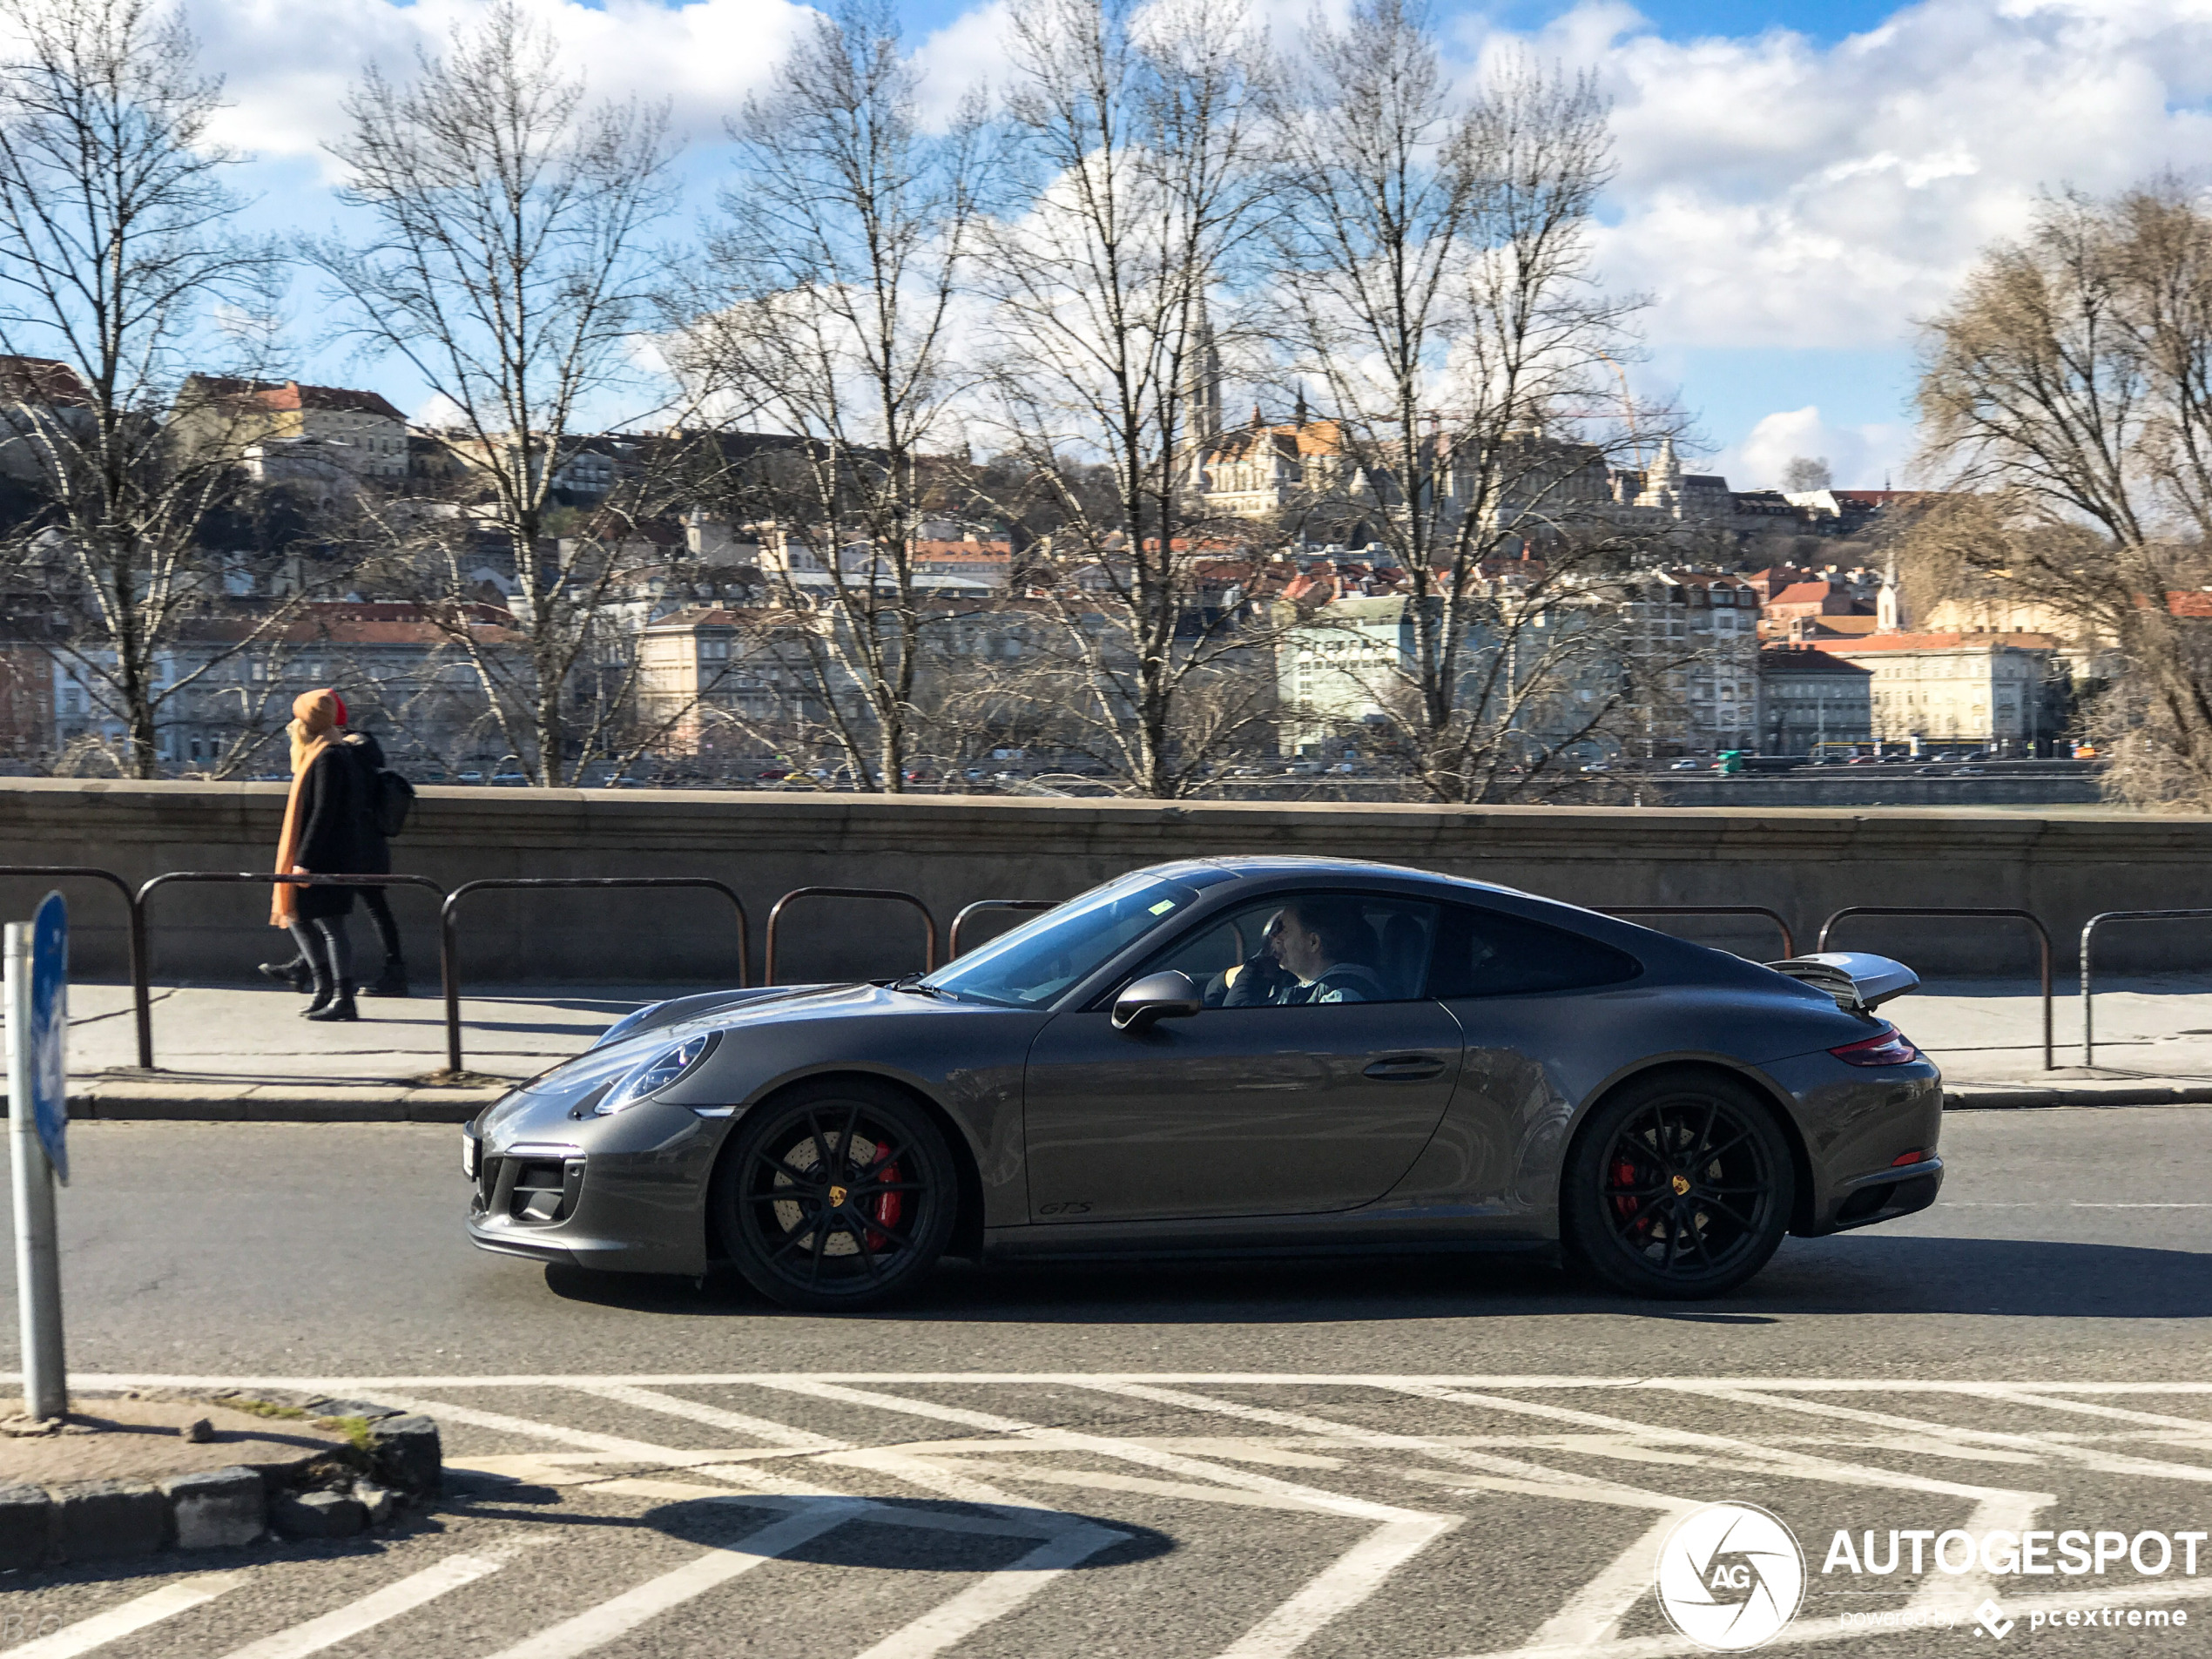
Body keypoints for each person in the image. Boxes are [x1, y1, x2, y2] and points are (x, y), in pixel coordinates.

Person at [269, 688, 368, 1022]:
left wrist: (304, 861)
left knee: (331, 927)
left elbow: (324, 811)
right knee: (299, 918)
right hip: (327, 854)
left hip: (326, 858)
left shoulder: (328, 756)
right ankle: (324, 988)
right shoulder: (328, 753)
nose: (292, 726)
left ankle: (342, 996)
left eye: (297, 719)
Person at [336, 708, 408, 997]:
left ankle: (395, 973)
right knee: (374, 909)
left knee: (326, 909)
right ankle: (395, 972)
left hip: (355, 846)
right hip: (371, 846)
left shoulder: (345, 755)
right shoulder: (366, 753)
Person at [1222, 899, 1388, 1005]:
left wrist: (1256, 965)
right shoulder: (1297, 984)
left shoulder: (1341, 998)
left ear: (1313, 942)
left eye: (1284, 930)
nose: (1276, 937)